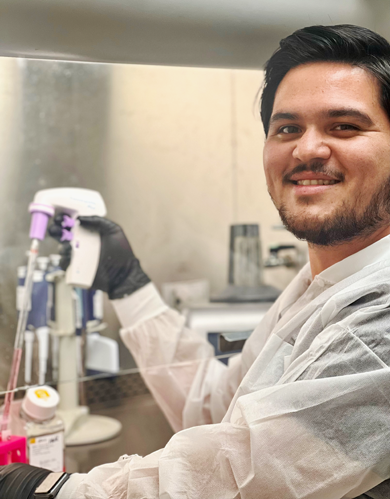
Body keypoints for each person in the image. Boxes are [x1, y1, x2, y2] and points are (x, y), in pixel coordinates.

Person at [2, 23, 390, 499]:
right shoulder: (321, 287)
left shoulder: (381, 317)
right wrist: (130, 286)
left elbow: (246, 475)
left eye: (344, 126)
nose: (307, 149)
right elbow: (215, 410)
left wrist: (59, 491)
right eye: (287, 128)